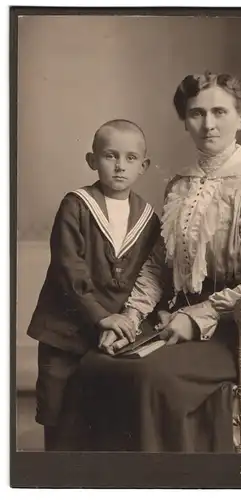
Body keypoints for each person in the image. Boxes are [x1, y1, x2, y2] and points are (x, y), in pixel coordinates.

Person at [77, 71, 241, 453]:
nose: (208, 124)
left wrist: (199, 316)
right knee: (99, 363)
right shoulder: (179, 185)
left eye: (220, 112)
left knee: (149, 376)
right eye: (196, 113)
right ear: (185, 121)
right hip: (171, 317)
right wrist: (130, 317)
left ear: (240, 118)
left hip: (236, 329)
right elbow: (159, 265)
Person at [26, 119, 162, 451]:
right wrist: (102, 316)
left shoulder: (148, 218)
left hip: (114, 334)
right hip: (66, 328)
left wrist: (127, 321)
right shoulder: (76, 205)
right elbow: (68, 267)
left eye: (130, 158)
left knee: (105, 409)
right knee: (59, 406)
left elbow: (151, 274)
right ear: (92, 160)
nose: (119, 166)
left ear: (143, 166)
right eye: (110, 156)